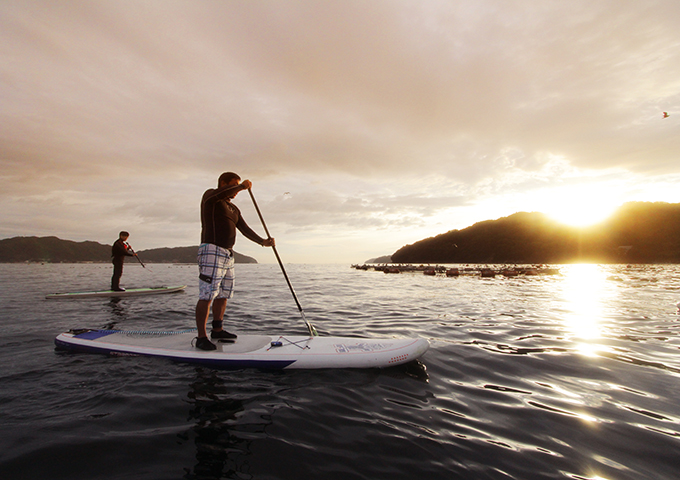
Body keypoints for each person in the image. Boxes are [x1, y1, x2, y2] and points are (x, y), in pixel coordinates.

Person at [195, 172, 275, 351]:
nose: (236, 191)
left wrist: (263, 242)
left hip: (228, 255)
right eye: (233, 186)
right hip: (211, 250)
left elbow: (245, 229)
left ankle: (218, 330)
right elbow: (219, 194)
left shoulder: (234, 209)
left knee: (224, 294)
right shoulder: (211, 197)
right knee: (207, 294)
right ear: (223, 183)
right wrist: (241, 186)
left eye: (238, 187)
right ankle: (201, 337)